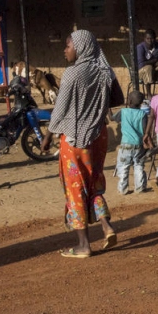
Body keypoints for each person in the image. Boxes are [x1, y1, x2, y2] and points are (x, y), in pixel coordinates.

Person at [41, 29, 119, 258]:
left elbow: (60, 109)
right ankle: (106, 227)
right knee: (93, 182)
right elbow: (118, 99)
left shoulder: (72, 74)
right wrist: (96, 104)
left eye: (68, 46)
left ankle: (84, 245)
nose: (65, 50)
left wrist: (47, 135)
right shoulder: (105, 70)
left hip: (76, 139)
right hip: (99, 135)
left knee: (75, 188)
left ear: (80, 47)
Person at [111, 90, 149, 195]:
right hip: (138, 145)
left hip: (125, 145)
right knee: (139, 165)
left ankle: (123, 189)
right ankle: (140, 187)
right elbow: (145, 129)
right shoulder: (143, 114)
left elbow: (112, 118)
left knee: (123, 167)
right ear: (141, 103)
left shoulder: (123, 111)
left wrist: (108, 108)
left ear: (129, 100)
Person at [135, 29, 158, 96]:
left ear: (155, 38)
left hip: (154, 70)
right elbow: (141, 63)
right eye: (148, 39)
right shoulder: (140, 47)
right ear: (144, 39)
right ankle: (149, 94)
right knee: (148, 67)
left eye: (152, 38)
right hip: (141, 72)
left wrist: (152, 63)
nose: (150, 41)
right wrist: (155, 60)